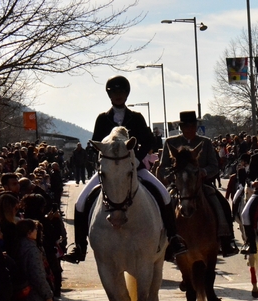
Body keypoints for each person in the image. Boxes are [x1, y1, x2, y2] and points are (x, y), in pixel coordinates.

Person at [62, 76, 187, 264]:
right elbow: (96, 145)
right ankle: (79, 246)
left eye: (121, 92)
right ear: (109, 95)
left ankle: (173, 238)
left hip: (134, 167)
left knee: (164, 194)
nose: (118, 95)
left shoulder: (136, 118)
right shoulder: (102, 119)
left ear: (127, 94)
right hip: (109, 171)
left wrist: (137, 159)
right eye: (114, 92)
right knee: (80, 202)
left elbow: (148, 141)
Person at [163, 111, 238, 257]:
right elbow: (163, 166)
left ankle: (226, 239)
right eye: (187, 126)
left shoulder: (206, 142)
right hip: (179, 185)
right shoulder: (171, 143)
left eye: (193, 125)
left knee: (221, 202)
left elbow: (214, 166)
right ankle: (166, 241)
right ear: (181, 127)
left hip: (201, 184)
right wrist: (173, 176)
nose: (191, 129)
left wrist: (204, 171)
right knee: (166, 205)